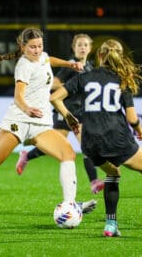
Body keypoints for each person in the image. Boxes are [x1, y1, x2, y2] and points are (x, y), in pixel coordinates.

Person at [0, 27, 95, 215]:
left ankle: (70, 204)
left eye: (39, 46)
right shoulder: (24, 66)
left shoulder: (42, 56)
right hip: (18, 121)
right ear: (23, 47)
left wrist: (70, 65)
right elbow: (18, 96)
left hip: (40, 124)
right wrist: (27, 108)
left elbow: (47, 60)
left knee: (68, 154)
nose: (37, 50)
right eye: (32, 47)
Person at [50, 38, 142, 236]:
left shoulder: (84, 76)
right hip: (115, 137)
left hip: (89, 141)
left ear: (99, 56)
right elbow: (132, 118)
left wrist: (69, 117)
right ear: (120, 57)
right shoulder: (122, 79)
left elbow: (54, 97)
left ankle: (111, 225)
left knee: (113, 174)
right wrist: (140, 130)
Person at [16, 33, 104, 194]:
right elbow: (53, 84)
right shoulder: (71, 65)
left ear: (90, 48)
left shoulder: (90, 67)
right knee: (52, 147)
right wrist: (69, 86)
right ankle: (26, 156)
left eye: (85, 45)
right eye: (79, 45)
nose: (82, 48)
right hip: (64, 111)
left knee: (86, 146)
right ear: (74, 48)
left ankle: (94, 182)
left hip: (81, 113)